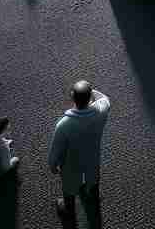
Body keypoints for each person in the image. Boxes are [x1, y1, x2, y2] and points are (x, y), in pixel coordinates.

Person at [48, 80, 112, 219]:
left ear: (72, 97)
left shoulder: (64, 125)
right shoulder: (101, 111)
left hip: (71, 162)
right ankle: (92, 197)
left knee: (69, 187)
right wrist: (91, 92)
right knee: (93, 177)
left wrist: (53, 165)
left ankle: (68, 209)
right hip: (92, 156)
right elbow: (105, 98)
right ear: (90, 97)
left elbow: (56, 150)